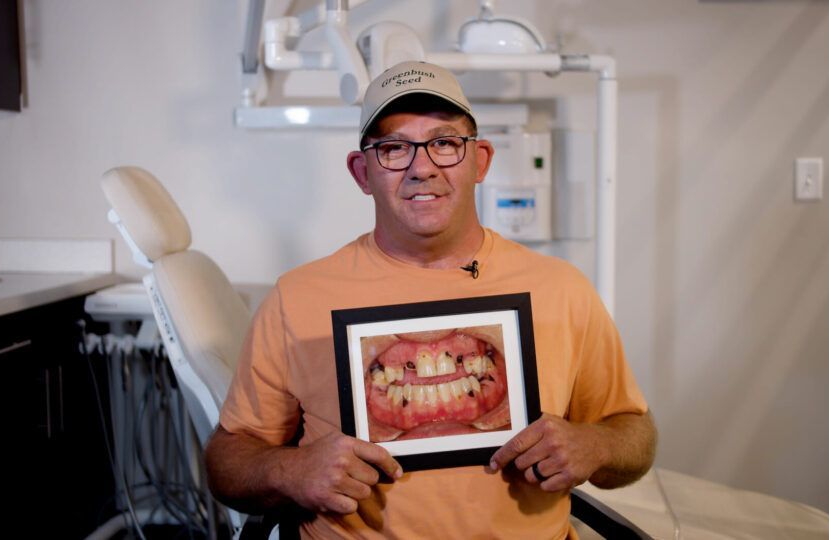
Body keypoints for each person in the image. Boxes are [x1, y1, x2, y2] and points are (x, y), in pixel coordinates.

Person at [205, 61, 657, 539]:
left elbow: (636, 435)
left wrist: (596, 445)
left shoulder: (561, 289)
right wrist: (288, 471)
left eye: (444, 143)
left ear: (480, 160)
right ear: (362, 172)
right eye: (394, 148)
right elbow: (226, 460)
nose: (422, 168)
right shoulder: (296, 299)